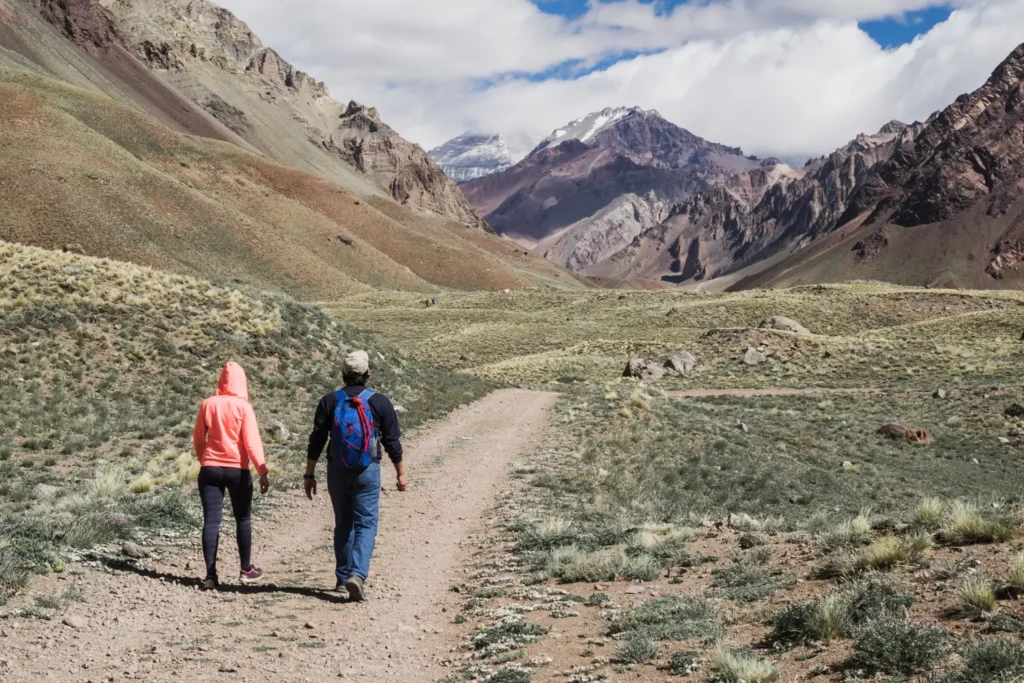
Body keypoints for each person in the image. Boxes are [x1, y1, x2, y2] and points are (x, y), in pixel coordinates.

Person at [304, 350, 406, 601]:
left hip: (337, 469)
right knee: (366, 523)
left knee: (343, 522)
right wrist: (400, 473)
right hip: (367, 470)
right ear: (368, 373)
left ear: (343, 373)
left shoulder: (329, 401)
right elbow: (392, 441)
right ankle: (357, 574)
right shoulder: (380, 402)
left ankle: (342, 578)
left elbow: (317, 440)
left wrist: (309, 473)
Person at [192, 362, 270, 590]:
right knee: (243, 519)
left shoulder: (208, 404)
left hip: (210, 469)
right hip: (238, 470)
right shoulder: (244, 407)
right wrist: (262, 471)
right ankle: (246, 570)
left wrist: (203, 459)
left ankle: (210, 575)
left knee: (211, 521)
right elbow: (252, 442)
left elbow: (198, 438)